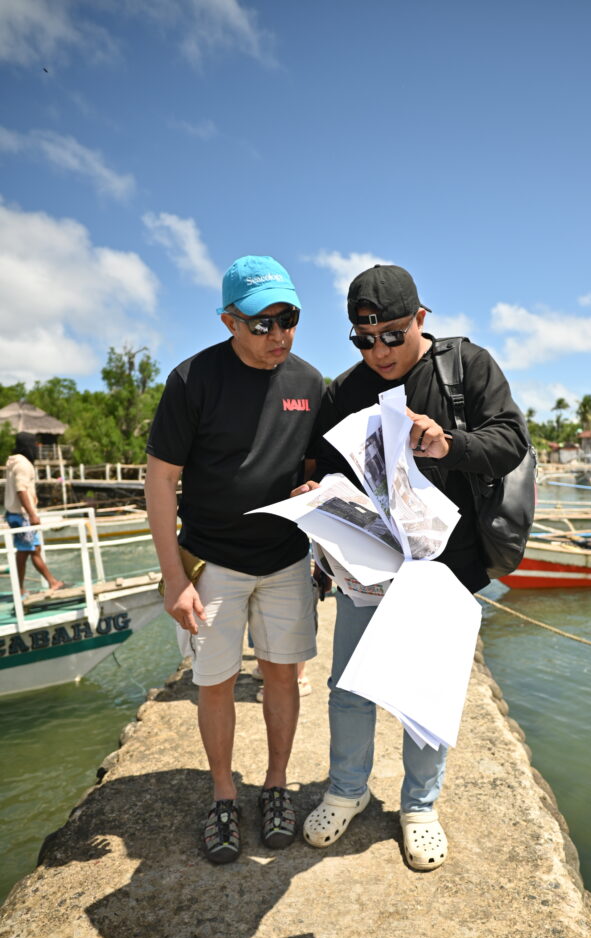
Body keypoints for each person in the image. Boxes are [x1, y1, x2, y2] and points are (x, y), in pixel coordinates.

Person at [298, 264, 528, 871]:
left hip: (443, 566)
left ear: (421, 319)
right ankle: (347, 789)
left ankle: (420, 806)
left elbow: (510, 440)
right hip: (367, 565)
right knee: (349, 686)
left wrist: (450, 443)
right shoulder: (345, 389)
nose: (379, 350)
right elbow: (320, 463)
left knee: (424, 693)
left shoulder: (466, 367)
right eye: (364, 338)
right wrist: (313, 492)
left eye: (393, 335)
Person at [145, 255, 324, 864]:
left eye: (288, 318)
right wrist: (174, 578)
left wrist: (312, 489)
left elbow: (312, 470)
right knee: (215, 682)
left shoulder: (309, 384)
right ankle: (223, 794)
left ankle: (275, 785)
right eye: (261, 323)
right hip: (214, 560)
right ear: (228, 321)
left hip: (285, 559)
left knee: (282, 673)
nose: (278, 335)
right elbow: (161, 481)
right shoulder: (192, 380)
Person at [4, 432, 63, 594]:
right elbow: (21, 490)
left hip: (15, 513)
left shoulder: (14, 462)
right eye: (35, 444)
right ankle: (52, 582)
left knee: (26, 551)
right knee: (31, 550)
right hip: (22, 515)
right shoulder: (23, 465)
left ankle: (21, 588)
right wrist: (32, 514)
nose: (37, 448)